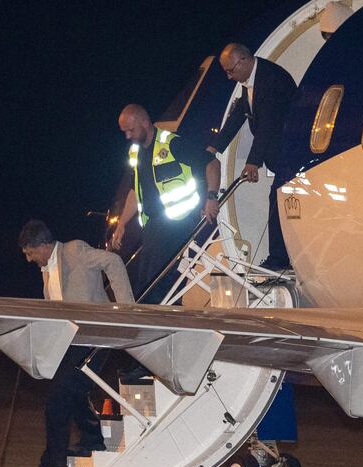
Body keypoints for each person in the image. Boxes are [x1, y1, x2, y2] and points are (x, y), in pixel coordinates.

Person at [18, 219, 134, 467]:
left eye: (30, 252)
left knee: (58, 398)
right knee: (71, 392)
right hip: (71, 342)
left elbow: (113, 263)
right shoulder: (46, 269)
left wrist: (126, 309)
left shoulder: (74, 251)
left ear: (44, 245)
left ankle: (54, 461)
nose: (28, 259)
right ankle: (93, 438)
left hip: (95, 337)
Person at [112, 103, 221, 303]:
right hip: (154, 227)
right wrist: (121, 223)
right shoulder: (136, 153)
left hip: (179, 223)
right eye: (124, 132)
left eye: (130, 130)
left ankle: (163, 322)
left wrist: (211, 197)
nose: (127, 136)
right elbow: (136, 191)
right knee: (146, 283)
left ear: (144, 123)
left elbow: (212, 163)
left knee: (158, 282)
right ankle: (160, 321)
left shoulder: (172, 144)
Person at [207, 43, 297, 271]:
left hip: (291, 152)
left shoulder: (271, 79)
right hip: (279, 155)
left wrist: (252, 162)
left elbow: (268, 124)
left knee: (276, 200)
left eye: (230, 70)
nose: (228, 76)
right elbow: (239, 115)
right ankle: (281, 257)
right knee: (278, 199)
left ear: (244, 60)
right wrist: (214, 148)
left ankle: (279, 259)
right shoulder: (249, 81)